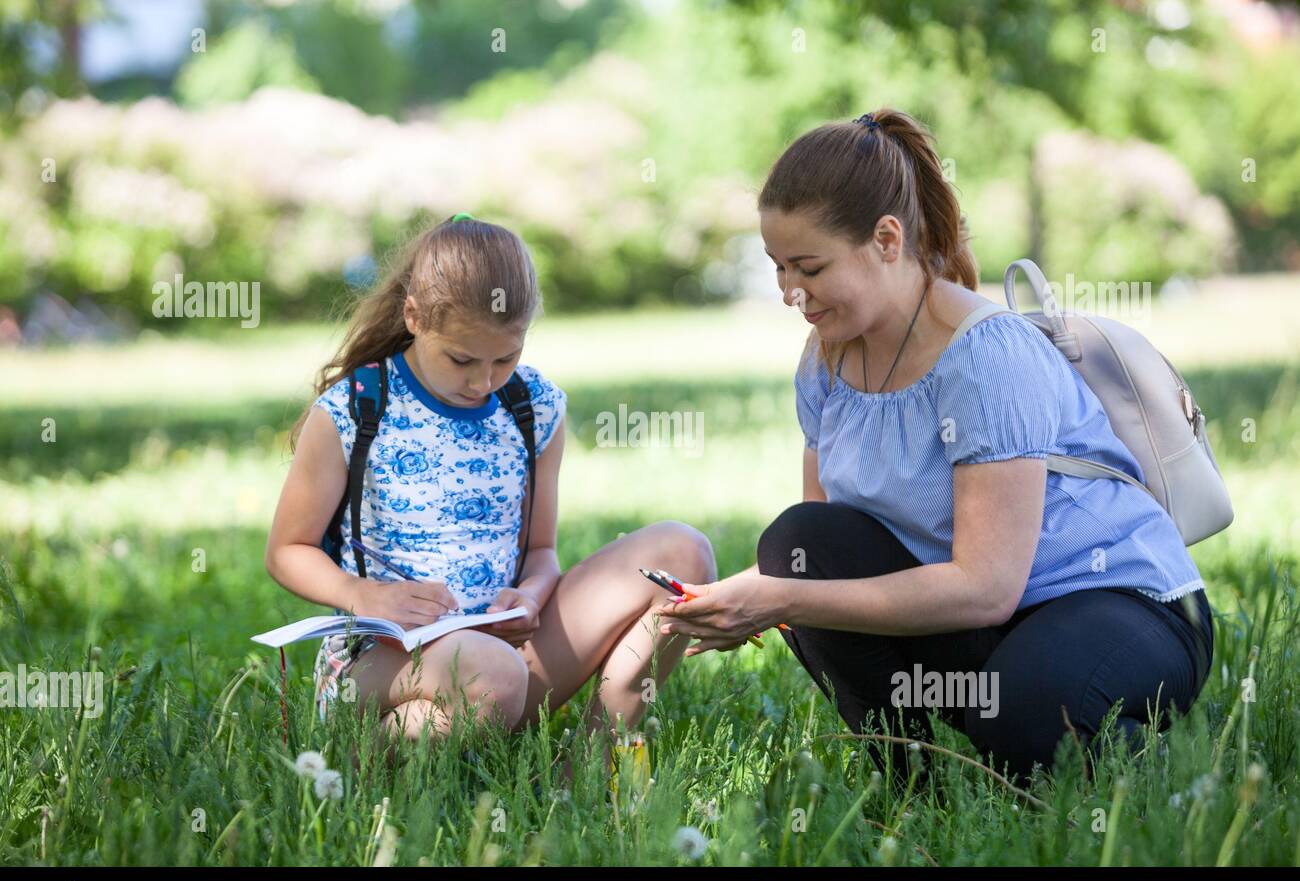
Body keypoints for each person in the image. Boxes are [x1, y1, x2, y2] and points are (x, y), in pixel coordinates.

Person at [654, 109, 1214, 785]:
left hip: (1124, 603)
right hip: (990, 620)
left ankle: (1164, 779)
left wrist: (780, 600)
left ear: (887, 239)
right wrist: (761, 594)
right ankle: (913, 782)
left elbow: (984, 589)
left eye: (808, 267)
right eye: (777, 268)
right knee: (802, 540)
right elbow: (821, 558)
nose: (789, 293)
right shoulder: (826, 361)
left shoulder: (985, 357)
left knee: (1023, 717)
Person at [265, 214, 715, 768]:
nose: (484, 382)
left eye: (506, 358)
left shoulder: (534, 408)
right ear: (414, 317)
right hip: (383, 662)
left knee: (682, 553)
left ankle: (588, 769)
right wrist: (368, 597)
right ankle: (362, 756)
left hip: (505, 657)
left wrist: (529, 595)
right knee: (491, 673)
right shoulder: (357, 408)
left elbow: (541, 553)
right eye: (461, 360)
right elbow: (288, 551)